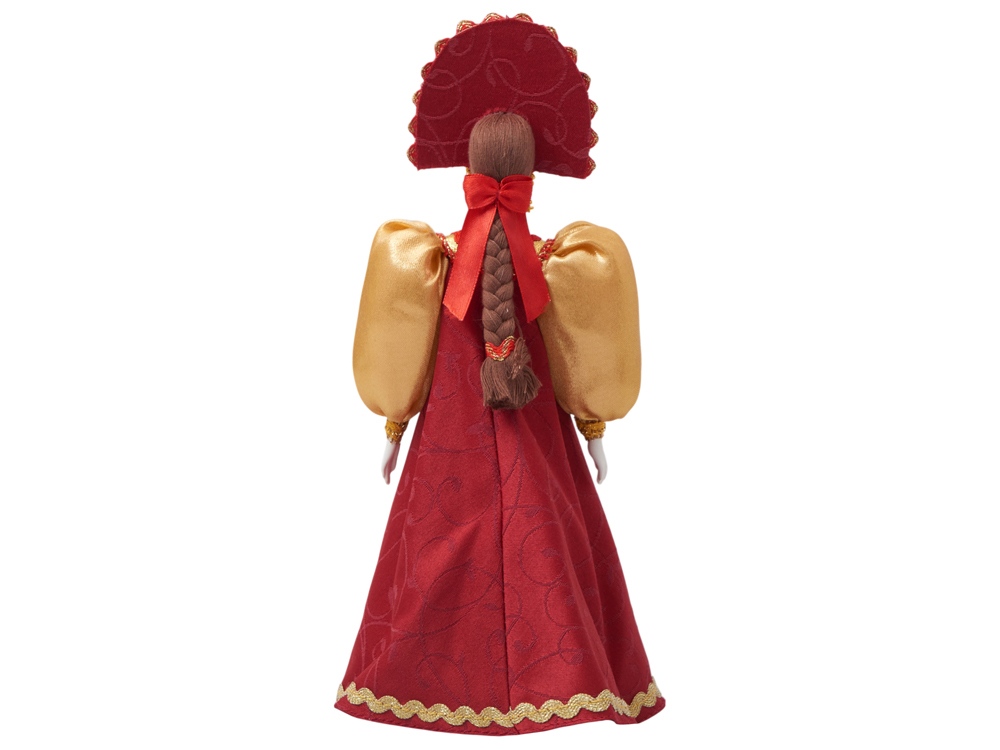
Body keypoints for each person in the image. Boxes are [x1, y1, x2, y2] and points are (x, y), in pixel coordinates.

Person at [335, 107, 663, 734]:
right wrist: (594, 430)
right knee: (551, 548)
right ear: (531, 180)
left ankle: (419, 677)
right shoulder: (563, 261)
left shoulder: (427, 261)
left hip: (446, 450)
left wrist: (394, 426)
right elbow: (589, 355)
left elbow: (398, 351)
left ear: (468, 174)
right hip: (538, 443)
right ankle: (565, 675)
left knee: (433, 552)